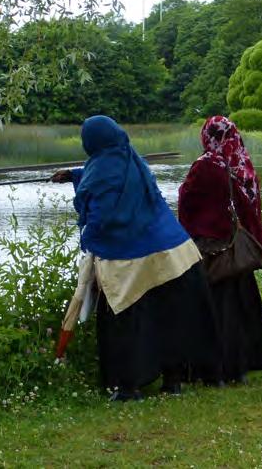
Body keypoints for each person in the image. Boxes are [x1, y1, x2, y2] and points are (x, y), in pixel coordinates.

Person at [52, 115, 221, 401]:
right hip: (174, 254)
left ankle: (129, 387)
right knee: (168, 318)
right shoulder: (133, 160)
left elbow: (101, 214)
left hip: (129, 258)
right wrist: (73, 174)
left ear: (90, 141)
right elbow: (111, 178)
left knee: (126, 321)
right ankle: (173, 381)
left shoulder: (102, 171)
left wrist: (88, 240)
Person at [178, 115, 262, 385]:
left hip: (210, 251)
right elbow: (251, 212)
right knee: (239, 310)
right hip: (236, 252)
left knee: (212, 311)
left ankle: (212, 373)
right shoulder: (243, 164)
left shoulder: (205, 166)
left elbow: (187, 206)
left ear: (208, 136)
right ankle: (239, 370)